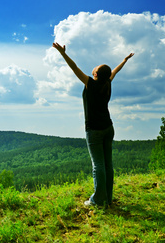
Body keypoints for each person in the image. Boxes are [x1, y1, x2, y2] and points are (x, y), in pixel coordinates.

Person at [52, 42, 134, 207]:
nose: (94, 67)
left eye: (96, 67)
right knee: (107, 164)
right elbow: (115, 71)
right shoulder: (107, 82)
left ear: (96, 74)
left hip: (94, 130)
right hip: (108, 128)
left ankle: (97, 200)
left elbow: (74, 67)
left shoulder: (92, 83)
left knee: (98, 165)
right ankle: (108, 198)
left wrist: (62, 53)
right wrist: (124, 61)